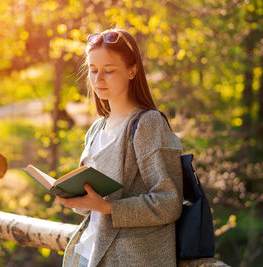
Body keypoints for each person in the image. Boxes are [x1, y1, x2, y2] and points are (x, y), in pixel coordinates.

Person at [55, 28, 183, 267]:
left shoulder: (148, 124)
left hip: (130, 259)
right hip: (89, 254)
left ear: (132, 70)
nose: (98, 79)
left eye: (109, 71)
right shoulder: (96, 129)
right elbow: (93, 208)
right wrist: (75, 199)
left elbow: (169, 203)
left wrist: (105, 206)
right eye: (93, 70)